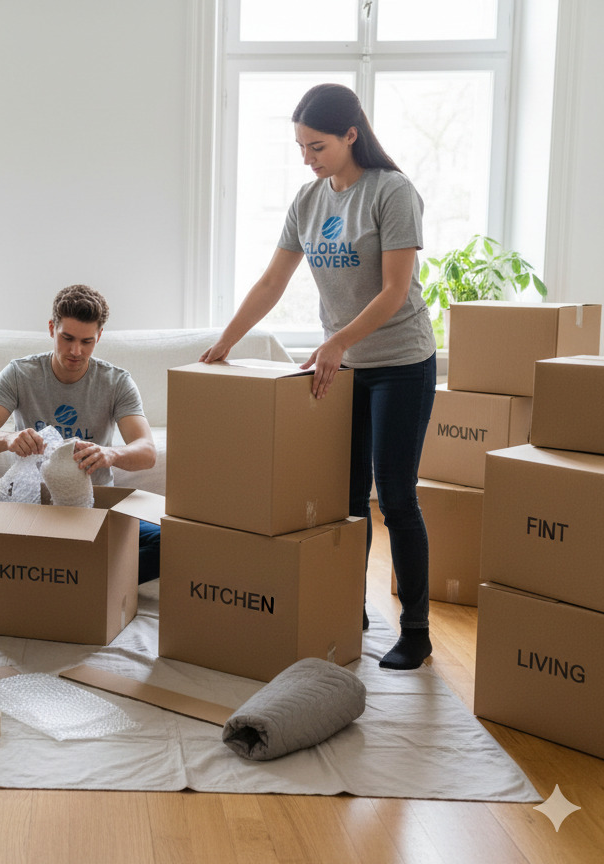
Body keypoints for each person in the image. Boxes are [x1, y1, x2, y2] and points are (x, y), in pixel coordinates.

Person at [200, 83, 437, 670]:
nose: (308, 158)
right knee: (346, 501)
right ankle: (344, 607)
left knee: (397, 497)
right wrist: (225, 342)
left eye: (318, 146)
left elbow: (394, 291)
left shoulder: (393, 192)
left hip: (401, 363)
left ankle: (416, 630)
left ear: (351, 135)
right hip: (347, 366)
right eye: (302, 147)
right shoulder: (308, 202)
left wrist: (335, 342)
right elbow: (271, 283)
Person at [0, 284, 161, 583]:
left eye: (87, 341)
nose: (75, 351)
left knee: (166, 543)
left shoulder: (116, 381)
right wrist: (8, 439)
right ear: (51, 328)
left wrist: (110, 454)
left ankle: (81, 579)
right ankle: (81, 576)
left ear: (100, 337)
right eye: (67, 338)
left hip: (92, 506)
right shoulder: (20, 373)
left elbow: (147, 452)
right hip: (34, 507)